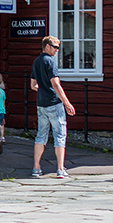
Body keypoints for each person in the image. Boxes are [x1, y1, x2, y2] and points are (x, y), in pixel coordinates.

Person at [30, 35, 76, 179]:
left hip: (41, 104)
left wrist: (43, 89)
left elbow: (33, 85)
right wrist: (67, 103)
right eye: (55, 47)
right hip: (54, 103)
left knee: (41, 135)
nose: (57, 50)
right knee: (60, 135)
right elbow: (56, 84)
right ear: (48, 46)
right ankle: (60, 169)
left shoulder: (36, 62)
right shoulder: (50, 62)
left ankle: (36, 168)